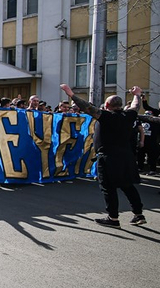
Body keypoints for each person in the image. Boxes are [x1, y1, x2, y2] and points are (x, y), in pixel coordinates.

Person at [61, 83, 146, 227]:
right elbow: (136, 106)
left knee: (108, 187)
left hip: (108, 157)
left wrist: (71, 95)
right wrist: (137, 94)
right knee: (127, 185)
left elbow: (87, 107)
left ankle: (113, 218)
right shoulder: (129, 115)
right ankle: (138, 214)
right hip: (125, 156)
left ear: (106, 105)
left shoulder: (106, 116)